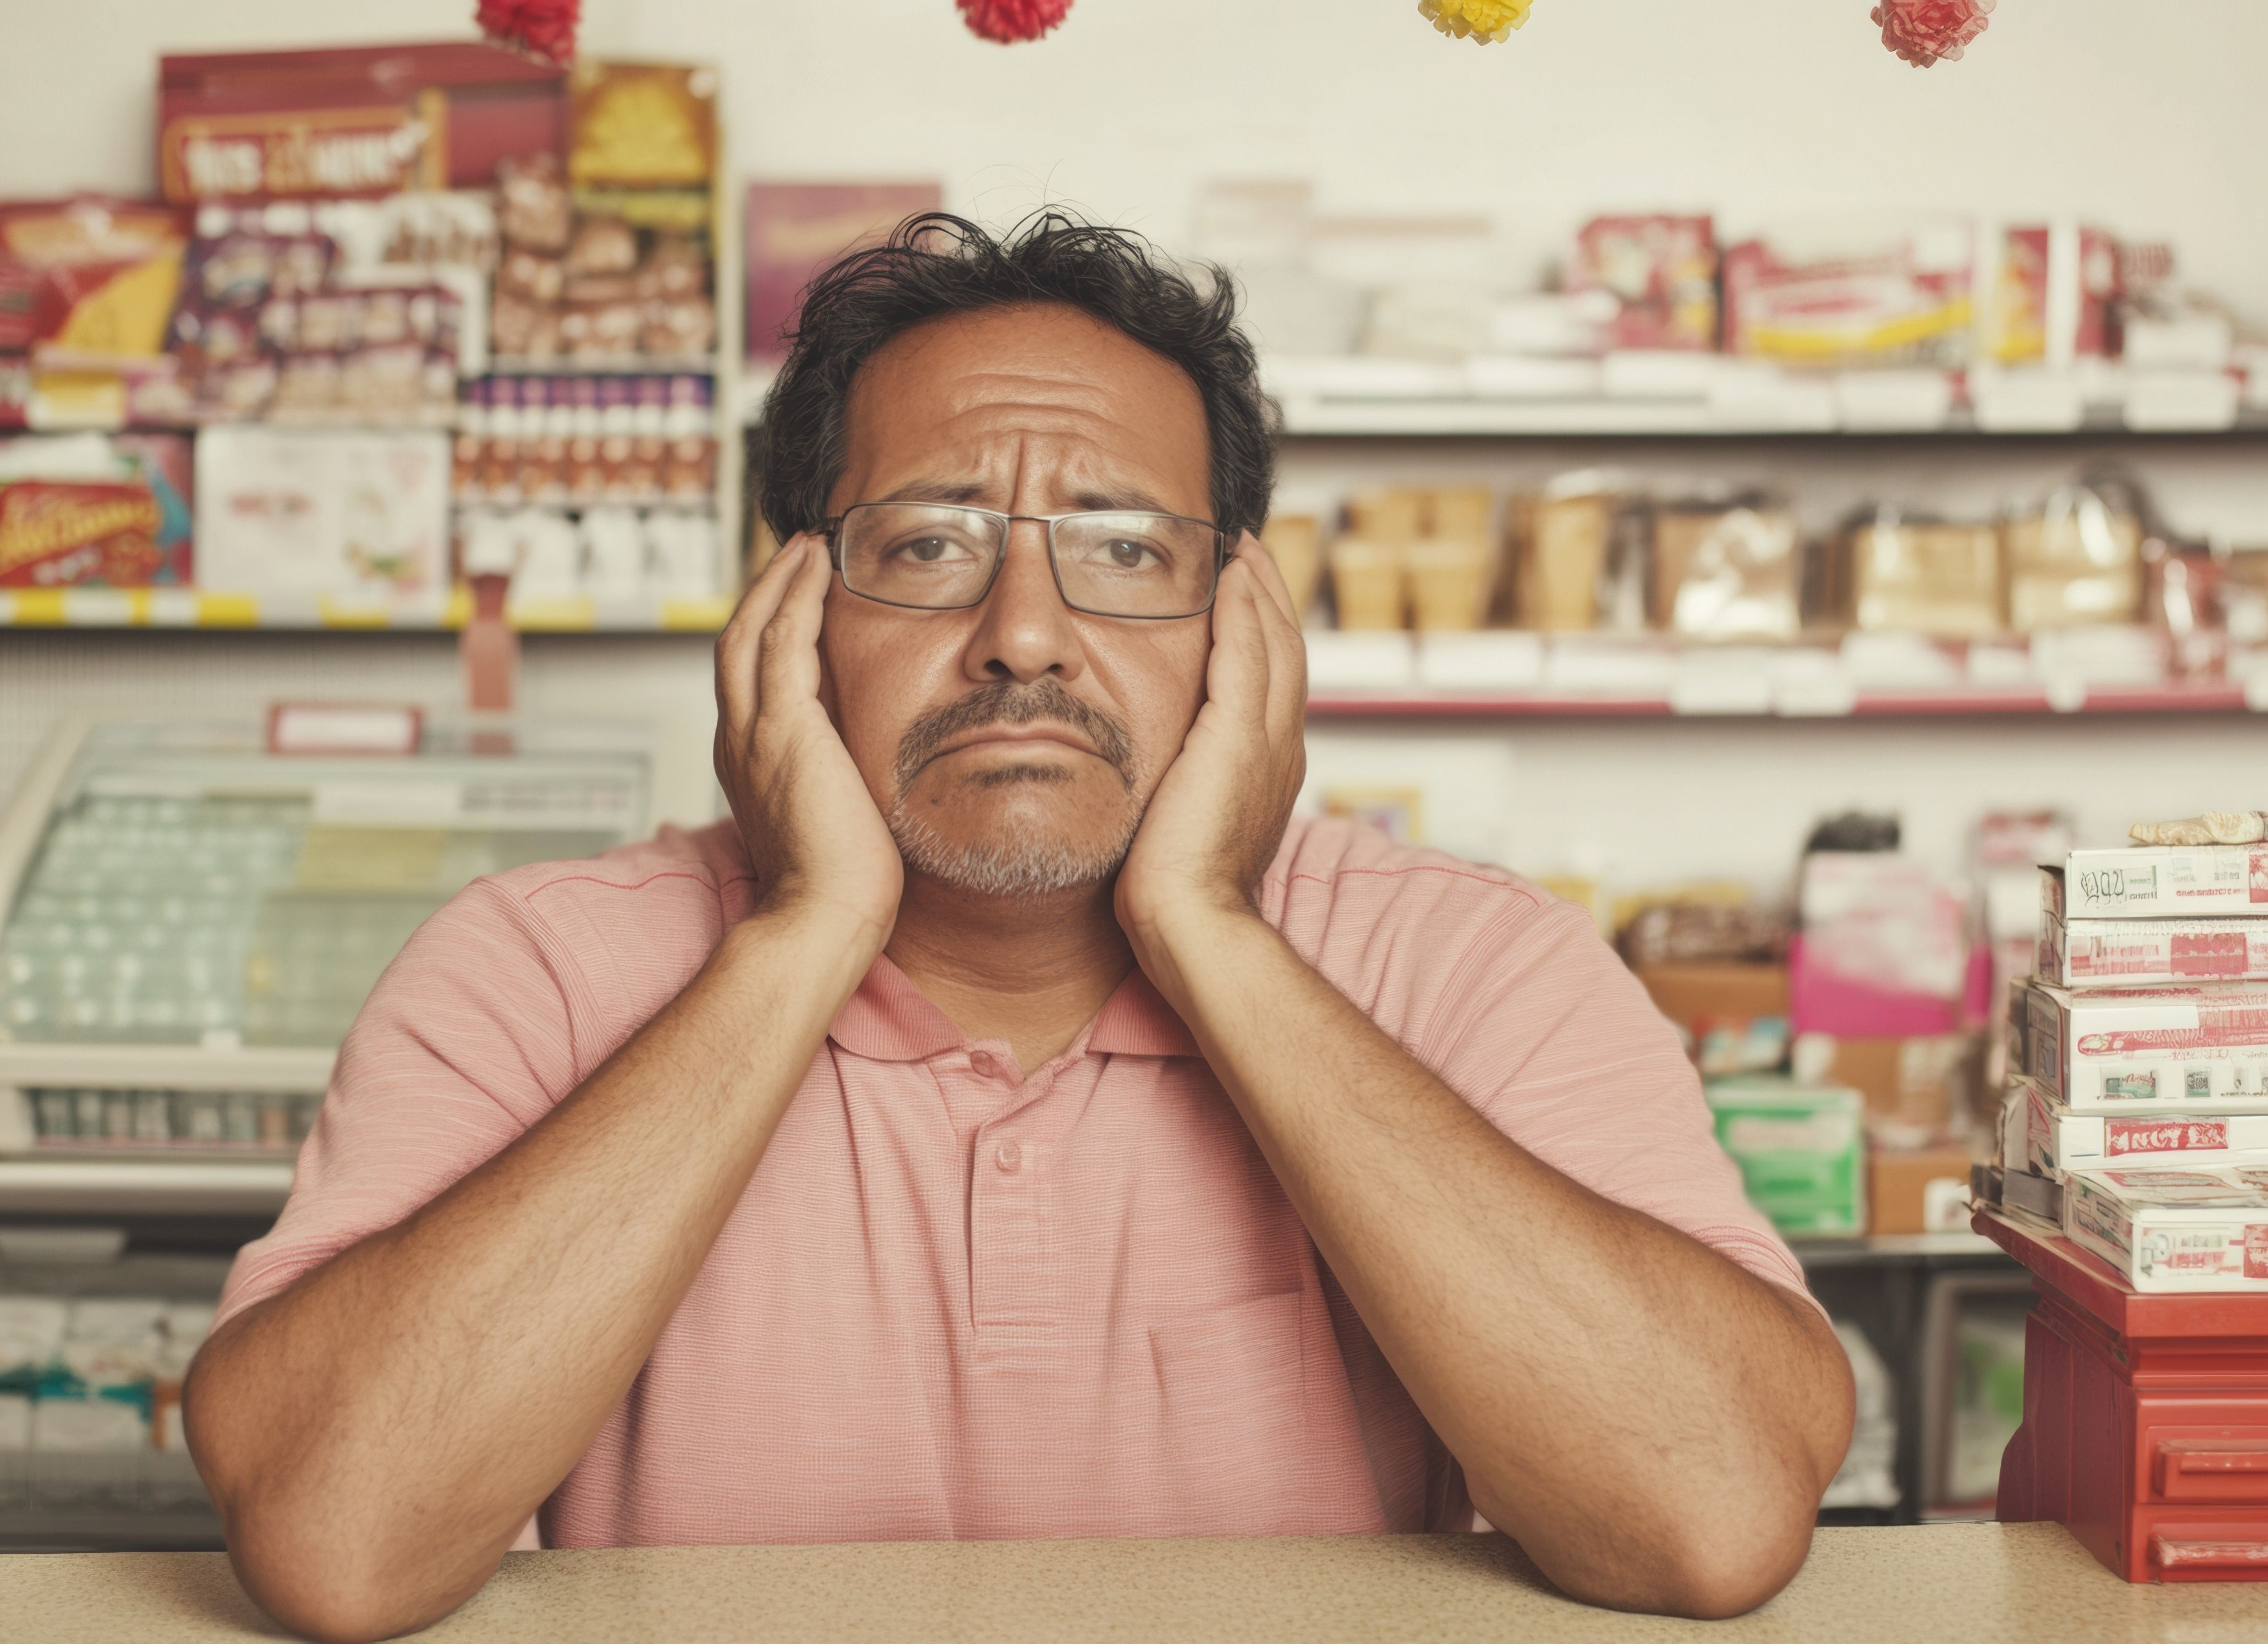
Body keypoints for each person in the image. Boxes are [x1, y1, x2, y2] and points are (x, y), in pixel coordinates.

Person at [186, 212, 1854, 1642]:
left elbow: (1709, 1516)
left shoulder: (1470, 964)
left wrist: (1211, 928)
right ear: (789, 618)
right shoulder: (537, 967)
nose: (1026, 638)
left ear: (1242, 625)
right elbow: (338, 1542)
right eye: (928, 545)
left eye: (1126, 552)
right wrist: (798, 934)